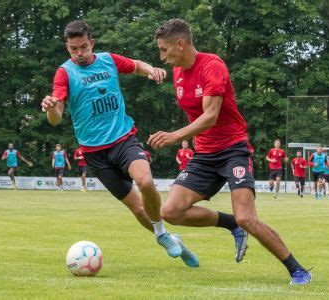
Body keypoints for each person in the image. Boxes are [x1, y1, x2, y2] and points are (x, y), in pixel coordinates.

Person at [149, 18, 311, 284]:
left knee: (248, 217)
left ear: (180, 44)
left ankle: (298, 270)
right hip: (204, 155)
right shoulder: (178, 72)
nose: (161, 55)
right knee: (170, 211)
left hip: (232, 149)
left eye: (164, 49)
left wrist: (175, 136)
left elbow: (210, 116)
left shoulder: (212, 66)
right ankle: (230, 224)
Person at [41, 20, 197, 267]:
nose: (79, 53)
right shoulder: (65, 73)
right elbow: (56, 117)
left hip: (123, 139)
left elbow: (136, 66)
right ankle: (165, 236)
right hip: (94, 153)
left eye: (83, 47)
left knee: (145, 181)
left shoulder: (108, 60)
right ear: (67, 48)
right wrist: (50, 109)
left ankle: (162, 232)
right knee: (137, 208)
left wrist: (151, 70)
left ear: (92, 43)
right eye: (73, 49)